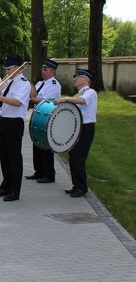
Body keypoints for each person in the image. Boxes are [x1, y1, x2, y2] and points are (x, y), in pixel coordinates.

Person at [0, 57, 31, 202]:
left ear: (18, 68)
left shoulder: (23, 84)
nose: (7, 71)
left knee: (14, 157)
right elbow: (0, 101)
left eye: (9, 69)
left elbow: (17, 102)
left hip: (14, 123)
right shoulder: (8, 82)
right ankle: (5, 185)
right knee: (4, 156)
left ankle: (14, 190)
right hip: (4, 121)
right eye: (6, 69)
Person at [54, 69, 98, 198]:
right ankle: (76, 185)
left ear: (85, 79)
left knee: (79, 158)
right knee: (73, 157)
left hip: (86, 127)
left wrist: (65, 99)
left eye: (77, 77)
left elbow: (82, 101)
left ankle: (81, 187)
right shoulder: (80, 93)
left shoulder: (90, 92)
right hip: (78, 127)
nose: (75, 79)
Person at [26, 58, 62, 183]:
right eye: (42, 69)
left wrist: (30, 98)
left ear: (52, 71)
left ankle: (49, 174)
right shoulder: (41, 83)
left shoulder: (54, 85)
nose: (43, 71)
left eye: (45, 69)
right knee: (37, 143)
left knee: (46, 146)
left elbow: (44, 100)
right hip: (38, 114)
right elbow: (33, 95)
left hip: (48, 116)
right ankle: (39, 171)